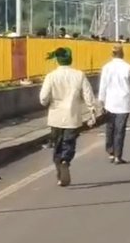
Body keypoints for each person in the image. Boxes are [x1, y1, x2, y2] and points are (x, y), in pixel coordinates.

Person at [39, 47, 97, 187]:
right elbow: (88, 95)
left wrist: (48, 103)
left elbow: (43, 98)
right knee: (69, 143)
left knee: (57, 145)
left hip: (56, 116)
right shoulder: (79, 75)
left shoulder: (51, 76)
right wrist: (92, 112)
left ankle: (60, 173)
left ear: (57, 61)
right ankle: (66, 160)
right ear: (71, 59)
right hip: (73, 116)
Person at [99, 44, 130, 165]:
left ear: (112, 54)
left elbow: (103, 85)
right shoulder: (128, 67)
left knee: (110, 127)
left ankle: (110, 151)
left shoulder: (106, 67)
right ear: (122, 53)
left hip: (110, 102)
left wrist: (101, 100)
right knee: (120, 130)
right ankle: (118, 156)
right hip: (123, 102)